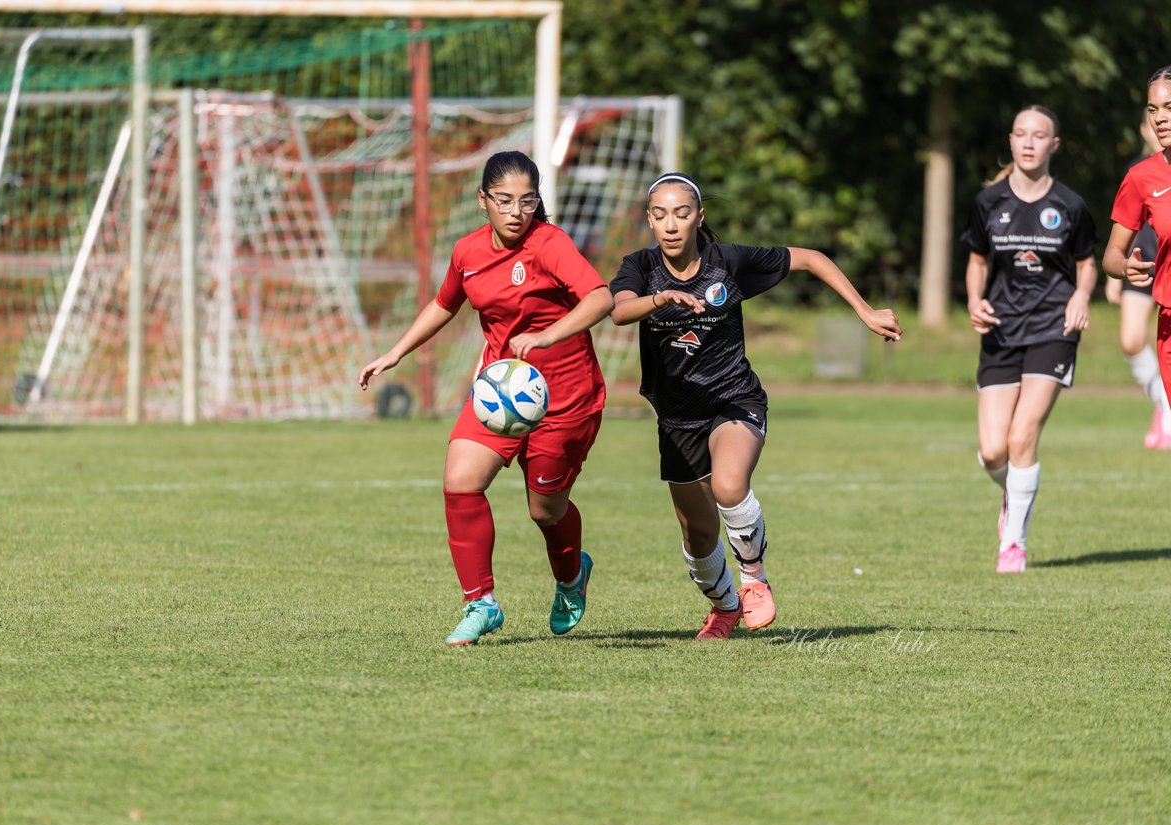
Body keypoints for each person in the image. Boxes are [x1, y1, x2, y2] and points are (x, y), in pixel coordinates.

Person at [609, 172, 900, 640]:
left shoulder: (729, 262)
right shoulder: (640, 267)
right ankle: (724, 607)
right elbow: (620, 310)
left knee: (729, 485)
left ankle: (753, 579)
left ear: (699, 217)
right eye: (660, 215)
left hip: (734, 398)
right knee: (698, 538)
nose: (670, 224)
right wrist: (660, 298)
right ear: (648, 219)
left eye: (681, 214)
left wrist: (864, 310)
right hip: (677, 418)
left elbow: (811, 259)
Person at [358, 151, 614, 646]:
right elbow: (443, 304)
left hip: (564, 397)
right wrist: (394, 353)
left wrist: (546, 336)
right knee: (459, 482)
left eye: (527, 201)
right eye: (504, 201)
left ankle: (570, 578)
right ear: (483, 201)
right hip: (500, 394)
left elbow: (600, 297)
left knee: (545, 512)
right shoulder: (468, 253)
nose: (516, 211)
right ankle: (481, 603)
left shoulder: (550, 244)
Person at [963, 105, 1098, 574]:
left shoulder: (1070, 205)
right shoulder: (988, 203)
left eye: (1039, 135)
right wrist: (974, 299)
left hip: (1052, 330)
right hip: (1001, 331)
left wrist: (1081, 296)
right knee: (993, 451)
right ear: (1011, 140)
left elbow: (1086, 263)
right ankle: (1013, 493)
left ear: (1053, 145)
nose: (1028, 142)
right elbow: (978, 260)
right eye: (1021, 134)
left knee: (1023, 437)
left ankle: (1013, 542)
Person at [1104, 67, 1171, 428]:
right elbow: (1112, 256)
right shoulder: (1141, 177)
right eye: (1153, 109)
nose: (1160, 118)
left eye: (1169, 107)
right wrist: (1123, 266)